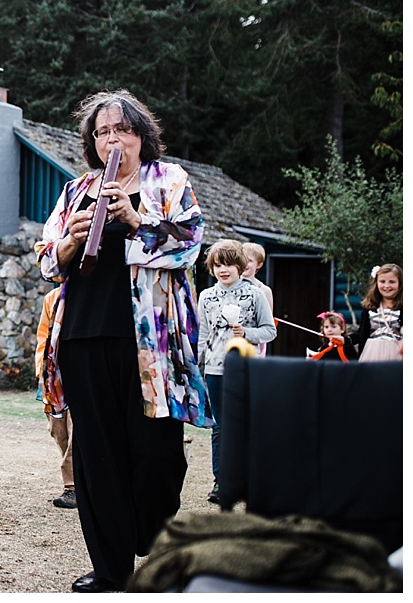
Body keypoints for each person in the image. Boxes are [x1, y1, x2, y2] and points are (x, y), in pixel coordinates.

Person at [36, 90, 211, 593]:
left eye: (123, 130)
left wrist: (136, 220)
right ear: (93, 141)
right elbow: (48, 262)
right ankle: (112, 570)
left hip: (151, 343)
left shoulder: (169, 180)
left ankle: (147, 529)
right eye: (103, 132)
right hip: (84, 335)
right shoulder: (76, 190)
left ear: (141, 136)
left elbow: (191, 243)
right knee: (97, 455)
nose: (113, 139)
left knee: (158, 454)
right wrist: (70, 239)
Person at [197, 239, 276, 506]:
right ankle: (221, 480)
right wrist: (199, 366)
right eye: (218, 265)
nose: (223, 270)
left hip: (246, 366)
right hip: (215, 369)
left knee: (247, 423)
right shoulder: (206, 296)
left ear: (240, 266)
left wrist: (247, 333)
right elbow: (203, 335)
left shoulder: (255, 294)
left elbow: (270, 330)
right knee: (219, 427)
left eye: (229, 264)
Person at [34, 285, 76, 509]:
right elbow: (43, 334)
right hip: (54, 374)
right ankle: (79, 478)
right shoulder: (52, 298)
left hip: (81, 372)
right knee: (57, 429)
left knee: (77, 429)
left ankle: (73, 486)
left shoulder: (88, 293)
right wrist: (41, 371)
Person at [354, 263, 402, 361]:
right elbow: (362, 333)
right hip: (371, 353)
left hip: (397, 353)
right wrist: (345, 340)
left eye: (392, 282)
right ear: (376, 283)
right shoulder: (369, 306)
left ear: (400, 283)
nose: (387, 286)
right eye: (382, 281)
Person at [241, 242, 274, 356]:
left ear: (259, 265)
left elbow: (268, 321)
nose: (245, 263)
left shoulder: (264, 290)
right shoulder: (230, 284)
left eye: (249, 260)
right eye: (242, 259)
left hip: (254, 341)